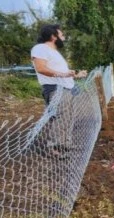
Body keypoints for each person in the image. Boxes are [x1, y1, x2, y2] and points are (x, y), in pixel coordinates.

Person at [31, 24, 87, 155]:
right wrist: (64, 74)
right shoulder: (40, 48)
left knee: (67, 117)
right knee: (60, 117)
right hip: (55, 89)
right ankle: (53, 148)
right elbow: (41, 68)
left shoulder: (54, 52)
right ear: (53, 36)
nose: (64, 37)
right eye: (61, 35)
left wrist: (76, 75)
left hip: (66, 88)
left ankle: (64, 143)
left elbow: (62, 72)